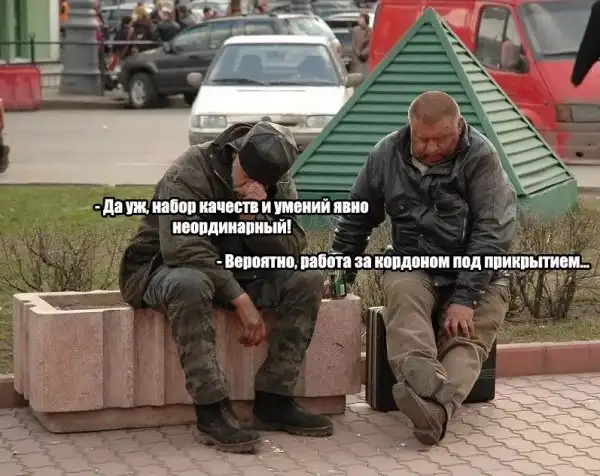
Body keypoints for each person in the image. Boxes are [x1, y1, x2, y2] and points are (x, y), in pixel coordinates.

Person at [119, 121, 333, 454]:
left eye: (261, 184)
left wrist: (255, 221)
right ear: (235, 154)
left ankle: (274, 399)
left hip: (237, 270)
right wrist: (239, 298)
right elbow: (183, 248)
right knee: (190, 283)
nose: (251, 187)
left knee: (308, 278)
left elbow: (293, 244)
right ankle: (212, 410)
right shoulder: (191, 170)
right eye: (246, 178)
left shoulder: (277, 178)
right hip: (160, 268)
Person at [329, 91, 517, 446]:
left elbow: (493, 232)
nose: (431, 148)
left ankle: (432, 409)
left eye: (441, 140)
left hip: (479, 274)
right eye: (422, 139)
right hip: (413, 262)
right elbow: (356, 217)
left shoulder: (481, 157)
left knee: (465, 338)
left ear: (459, 127)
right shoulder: (386, 154)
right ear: (410, 129)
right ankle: (431, 393)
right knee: (403, 299)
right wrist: (340, 273)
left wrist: (465, 298)